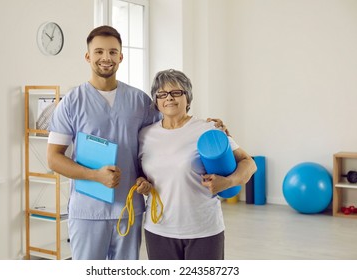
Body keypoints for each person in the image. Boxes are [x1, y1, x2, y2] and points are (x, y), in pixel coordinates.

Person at [46, 25, 160, 260]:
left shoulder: (140, 101)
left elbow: (164, 137)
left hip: (129, 209)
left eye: (112, 52)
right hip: (87, 212)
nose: (105, 58)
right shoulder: (71, 102)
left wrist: (207, 125)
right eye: (98, 52)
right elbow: (53, 158)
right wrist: (94, 175)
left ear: (121, 56)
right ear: (88, 57)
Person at [138, 69, 257, 260]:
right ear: (156, 101)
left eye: (176, 92)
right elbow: (140, 173)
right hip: (158, 229)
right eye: (162, 94)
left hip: (203, 231)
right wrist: (141, 183)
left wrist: (228, 182)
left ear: (188, 98)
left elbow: (249, 163)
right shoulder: (144, 135)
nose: (169, 98)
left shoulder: (208, 129)